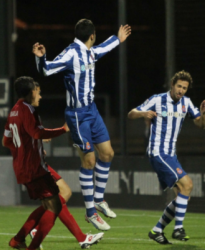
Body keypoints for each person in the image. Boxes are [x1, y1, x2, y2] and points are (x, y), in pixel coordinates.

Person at [32, 19, 131, 230]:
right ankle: (90, 212)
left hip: (92, 111)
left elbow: (102, 49)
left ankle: (98, 199)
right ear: (92, 35)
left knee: (108, 154)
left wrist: (118, 39)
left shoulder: (89, 52)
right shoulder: (71, 54)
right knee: (89, 161)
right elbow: (47, 70)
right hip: (77, 115)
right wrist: (41, 59)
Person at [128, 70, 205, 244]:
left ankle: (157, 230)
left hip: (170, 154)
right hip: (158, 152)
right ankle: (178, 228)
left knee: (183, 194)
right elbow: (131, 113)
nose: (181, 90)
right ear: (172, 85)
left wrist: (203, 112)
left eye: (184, 88)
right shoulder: (157, 99)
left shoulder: (186, 102)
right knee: (187, 184)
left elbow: (201, 125)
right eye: (179, 86)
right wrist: (144, 114)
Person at [4, 76, 67, 250]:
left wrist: (26, 151)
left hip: (22, 168)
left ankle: (18, 240)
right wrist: (63, 130)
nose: (40, 96)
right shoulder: (29, 110)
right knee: (55, 206)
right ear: (32, 92)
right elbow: (37, 133)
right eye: (38, 92)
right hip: (34, 168)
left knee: (48, 204)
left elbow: (6, 141)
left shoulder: (14, 111)